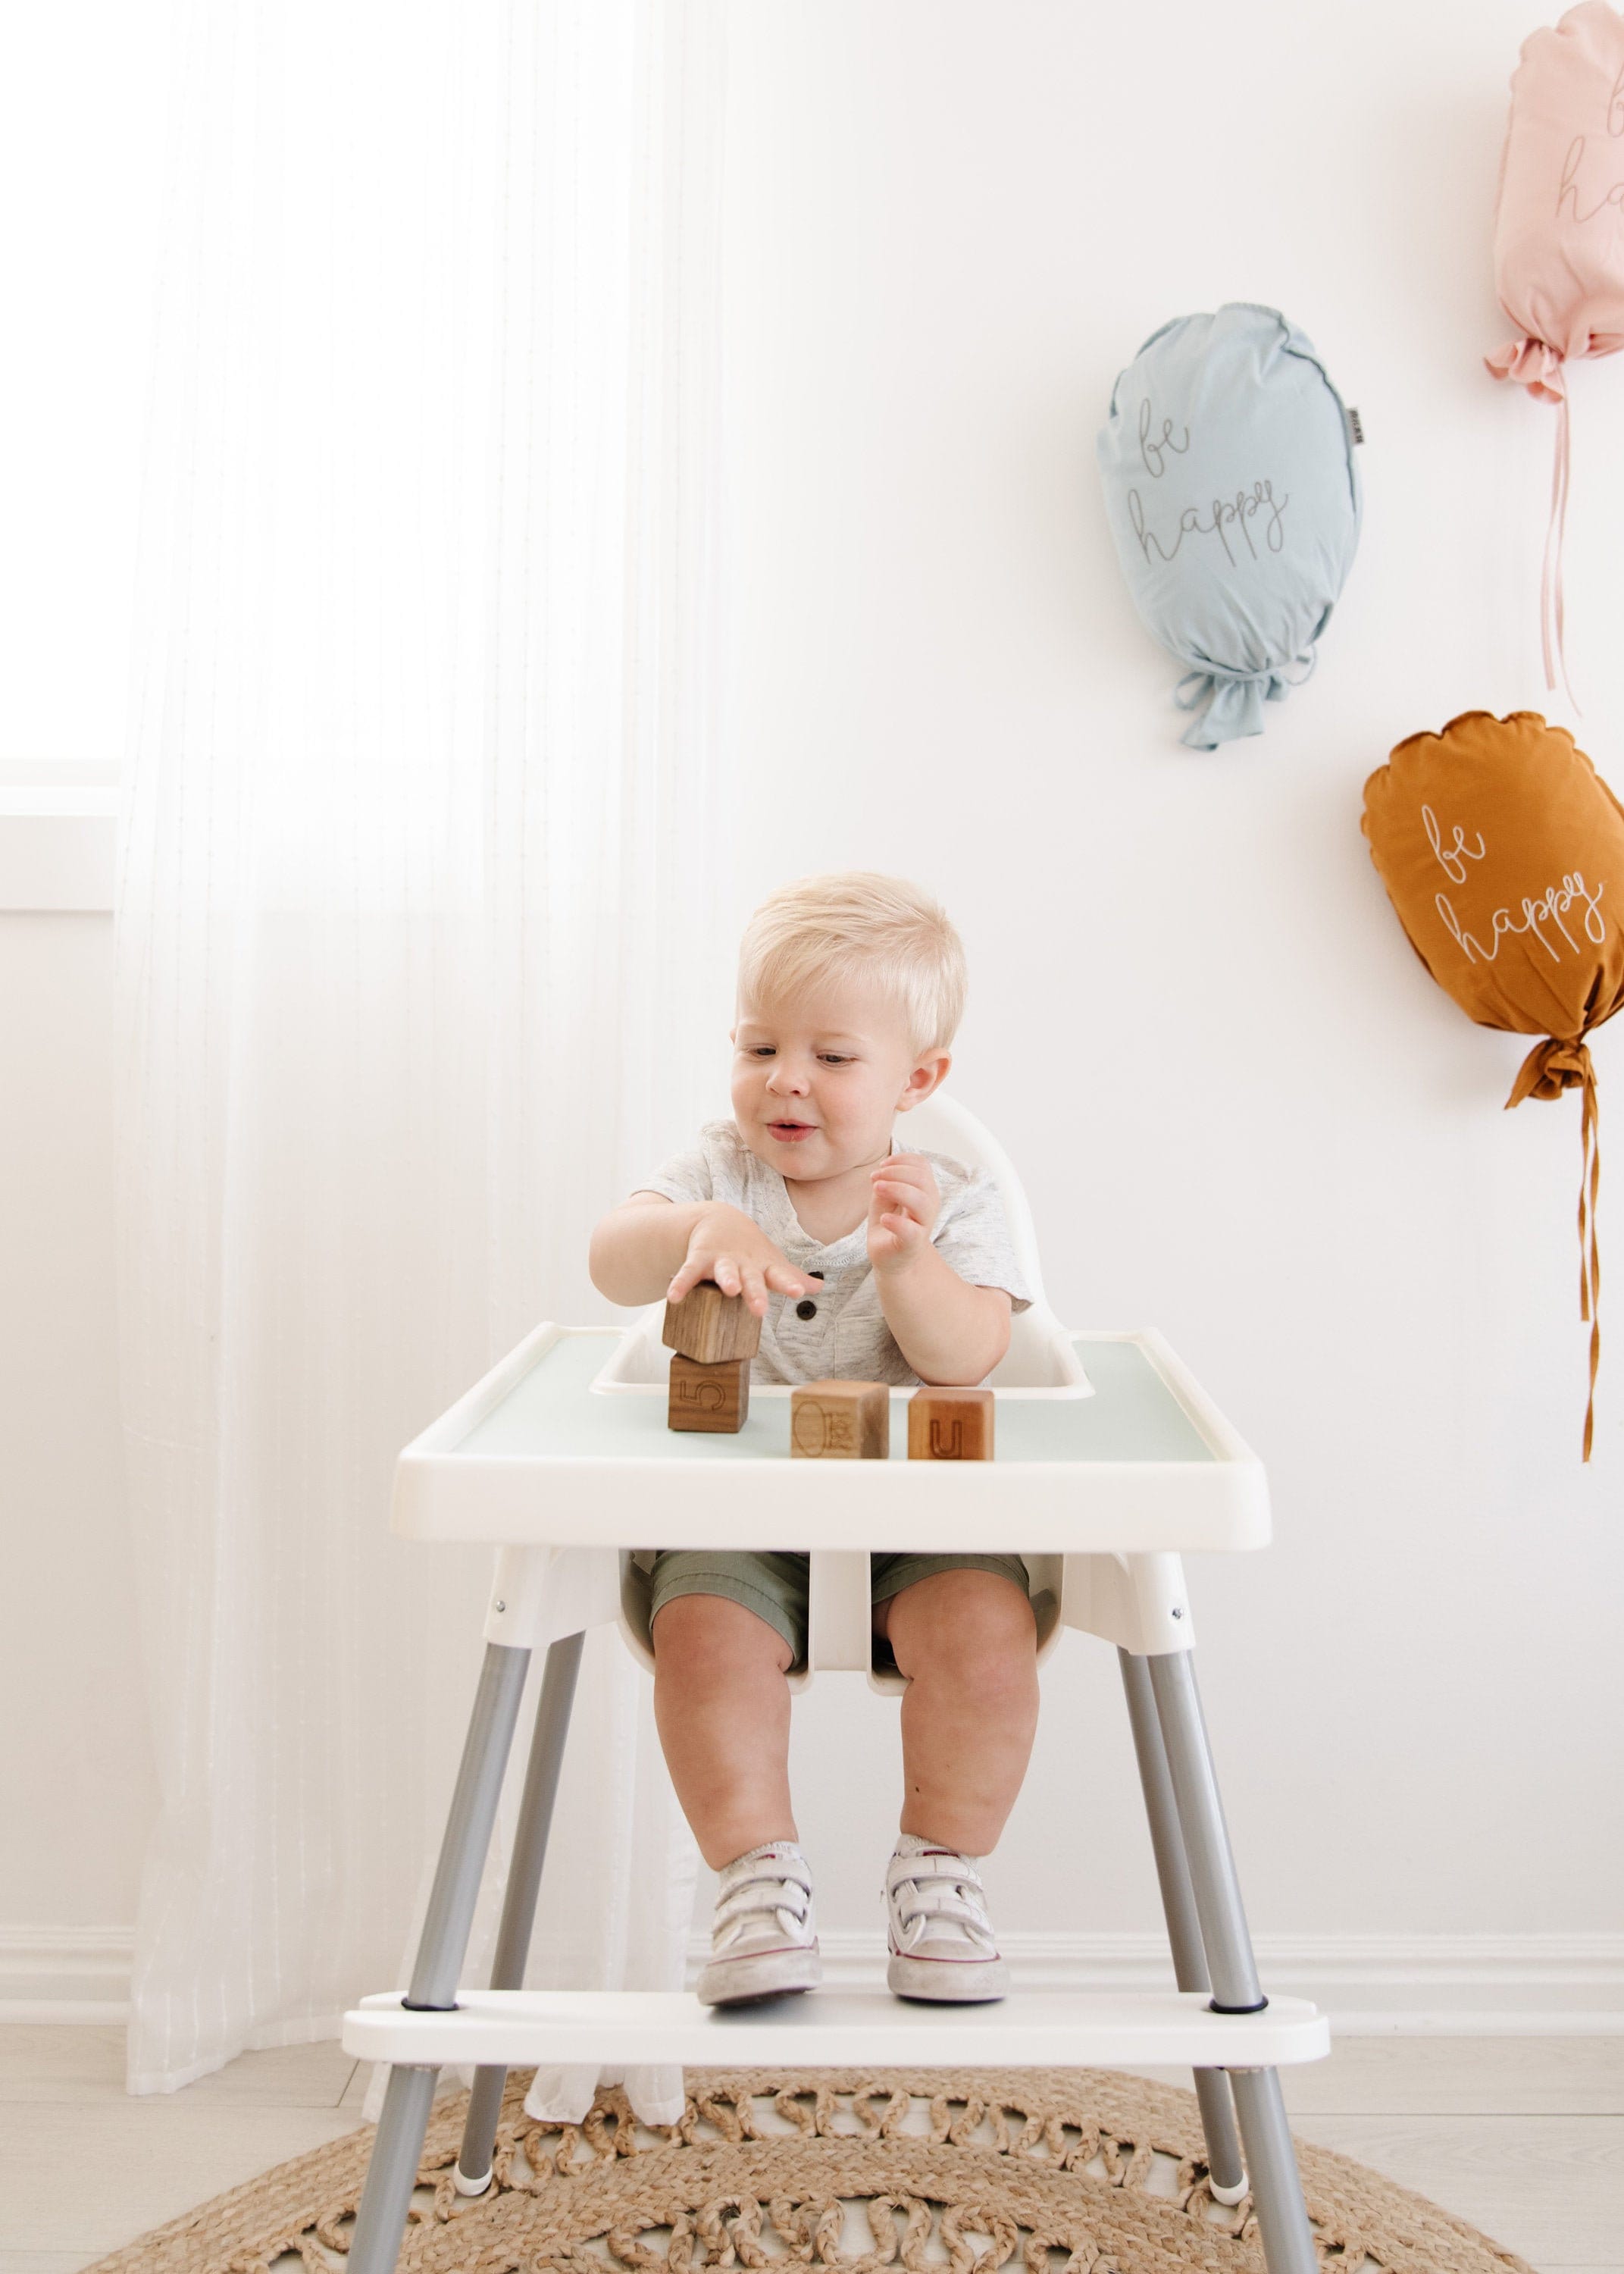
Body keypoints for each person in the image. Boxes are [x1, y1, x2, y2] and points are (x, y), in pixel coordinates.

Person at [589, 872, 1037, 2006]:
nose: (787, 1080)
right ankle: (756, 1880)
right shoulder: (716, 1175)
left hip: (919, 1518)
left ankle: (941, 1872)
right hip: (744, 1516)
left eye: (833, 1058)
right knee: (700, 1641)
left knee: (991, 1641)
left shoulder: (953, 1201)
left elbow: (969, 1354)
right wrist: (700, 1228)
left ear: (916, 1081)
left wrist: (906, 1266)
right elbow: (609, 1261)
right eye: (759, 1047)